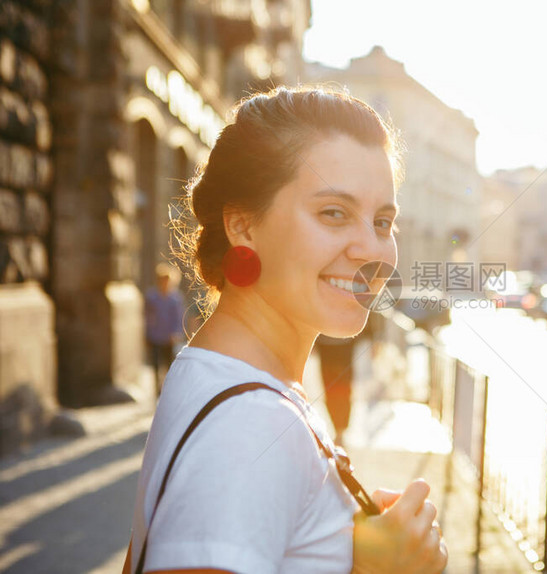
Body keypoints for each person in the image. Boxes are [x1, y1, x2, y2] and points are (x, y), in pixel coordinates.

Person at [124, 87, 447, 574]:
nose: (372, 250)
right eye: (333, 213)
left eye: (383, 221)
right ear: (243, 227)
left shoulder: (218, 373)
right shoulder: (253, 423)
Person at [144, 263, 185, 396]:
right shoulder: (152, 297)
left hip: (169, 338)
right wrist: (147, 334)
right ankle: (157, 389)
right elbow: (147, 317)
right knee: (156, 365)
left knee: (168, 365)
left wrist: (176, 333)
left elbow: (178, 317)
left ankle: (167, 388)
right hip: (155, 336)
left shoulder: (175, 298)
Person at [316, 333, 357, 447]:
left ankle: (340, 431)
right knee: (330, 389)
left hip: (345, 343)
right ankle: (337, 429)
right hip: (325, 344)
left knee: (344, 388)